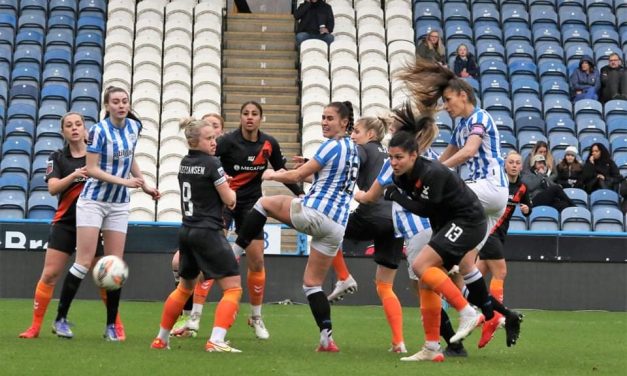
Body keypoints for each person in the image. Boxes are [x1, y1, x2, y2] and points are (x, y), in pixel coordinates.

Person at [398, 60, 523, 350]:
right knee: (468, 263)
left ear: (463, 95)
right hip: (488, 202)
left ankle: (442, 275)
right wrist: (425, 169)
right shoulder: (460, 126)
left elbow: (469, 151)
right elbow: (445, 159)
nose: (446, 106)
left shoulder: (479, 117)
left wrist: (430, 176)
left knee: (440, 205)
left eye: (449, 100)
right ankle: (498, 316)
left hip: (487, 188)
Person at [231, 101, 359, 352]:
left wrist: (272, 175)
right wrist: (306, 167)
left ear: (344, 122)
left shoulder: (331, 145)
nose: (324, 121)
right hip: (336, 226)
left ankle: (234, 253)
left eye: (330, 118)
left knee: (263, 202)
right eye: (322, 117)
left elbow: (297, 176)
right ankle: (326, 339)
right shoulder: (352, 148)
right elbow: (326, 176)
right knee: (312, 284)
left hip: (316, 213)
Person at [355, 102, 468, 358]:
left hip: (418, 229)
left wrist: (355, 192)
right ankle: (445, 342)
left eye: (395, 129)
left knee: (426, 285)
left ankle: (459, 327)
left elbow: (372, 197)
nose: (391, 134)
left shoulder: (396, 163)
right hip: (433, 226)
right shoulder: (426, 156)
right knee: (425, 286)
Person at [54, 86, 160, 341]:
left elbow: (130, 158)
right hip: (94, 200)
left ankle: (111, 325)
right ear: (107, 105)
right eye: (116, 102)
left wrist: (144, 184)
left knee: (114, 265)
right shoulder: (99, 131)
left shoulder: (135, 127)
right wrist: (124, 182)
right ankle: (60, 319)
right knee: (83, 261)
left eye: (124, 101)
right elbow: (91, 169)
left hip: (119, 204)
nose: (121, 105)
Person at [383, 128, 487, 362]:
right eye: (390, 157)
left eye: (398, 157)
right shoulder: (400, 177)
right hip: (447, 224)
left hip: (469, 221)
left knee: (421, 265)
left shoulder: (432, 173)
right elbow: (432, 211)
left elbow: (426, 208)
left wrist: (396, 197)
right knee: (425, 282)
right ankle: (431, 347)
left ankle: (468, 312)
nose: (393, 162)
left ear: (414, 155)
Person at [215, 101, 304, 340]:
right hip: (226, 202)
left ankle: (256, 316)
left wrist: (302, 194)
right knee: (215, 255)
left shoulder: (268, 143)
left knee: (256, 262)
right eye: (245, 113)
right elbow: (207, 161)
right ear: (240, 117)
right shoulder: (227, 141)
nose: (250, 117)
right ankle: (193, 316)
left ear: (261, 118)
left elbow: (283, 171)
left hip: (253, 207)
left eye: (254, 114)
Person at [151, 117, 242, 352]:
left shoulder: (184, 162)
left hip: (187, 230)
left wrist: (219, 184)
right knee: (233, 287)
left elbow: (201, 187)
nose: (214, 143)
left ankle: (161, 339)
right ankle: (216, 340)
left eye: (215, 138)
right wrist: (228, 187)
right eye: (209, 138)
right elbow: (230, 201)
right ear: (194, 140)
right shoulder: (213, 164)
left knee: (184, 288)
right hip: (208, 231)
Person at [18, 113, 112, 339]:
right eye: (69, 126)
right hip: (65, 225)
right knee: (49, 275)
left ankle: (114, 325)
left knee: (104, 277)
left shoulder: (96, 155)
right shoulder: (57, 157)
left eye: (78, 124)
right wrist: (75, 175)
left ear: (85, 128)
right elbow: (52, 188)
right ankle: (35, 327)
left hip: (91, 225)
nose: (74, 128)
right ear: (63, 132)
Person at [324, 116, 408, 353]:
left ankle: (343, 277)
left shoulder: (363, 149)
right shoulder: (390, 154)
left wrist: (310, 167)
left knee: (325, 229)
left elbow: (342, 166)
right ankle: (398, 341)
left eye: (357, 131)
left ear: (370, 134)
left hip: (372, 213)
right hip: (395, 220)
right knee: (385, 286)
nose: (353, 136)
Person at [169, 113, 226, 337]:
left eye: (215, 129)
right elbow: (226, 195)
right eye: (208, 131)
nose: (213, 137)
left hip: (209, 221)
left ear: (221, 131)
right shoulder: (209, 161)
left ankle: (186, 322)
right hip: (203, 222)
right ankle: (193, 319)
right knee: (227, 282)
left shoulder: (208, 157)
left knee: (208, 277)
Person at [476, 151, 532, 348]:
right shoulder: (497, 184)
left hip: (499, 235)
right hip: (488, 232)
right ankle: (493, 319)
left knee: (474, 280)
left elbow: (528, 205)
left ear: (521, 167)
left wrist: (527, 209)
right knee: (500, 272)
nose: (514, 165)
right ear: (504, 165)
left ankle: (477, 314)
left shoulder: (523, 187)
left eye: (517, 162)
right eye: (511, 162)